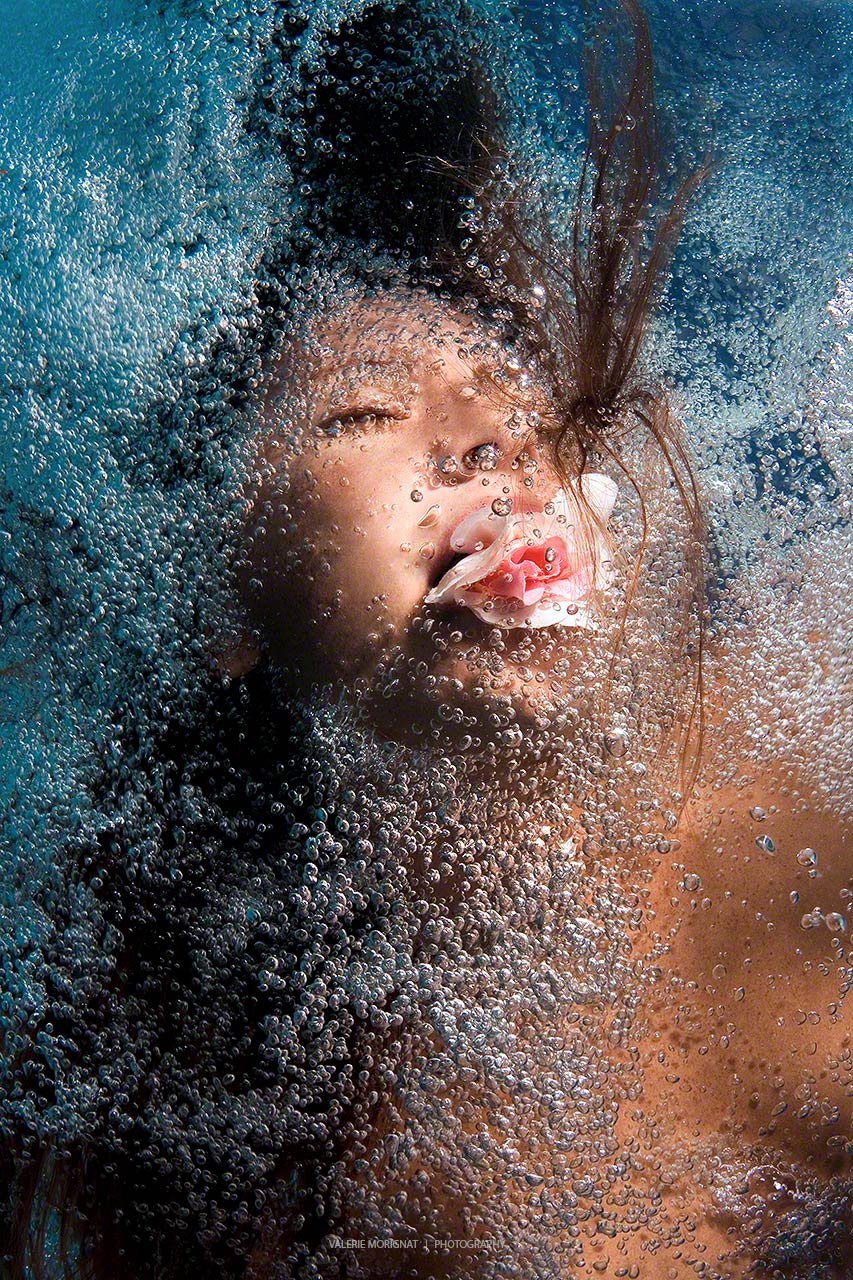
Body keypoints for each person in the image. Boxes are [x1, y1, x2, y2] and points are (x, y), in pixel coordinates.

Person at [1, 2, 850, 1279]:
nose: (482, 439)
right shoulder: (337, 1134)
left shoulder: (817, 740)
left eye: (514, 401)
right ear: (231, 599)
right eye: (360, 413)